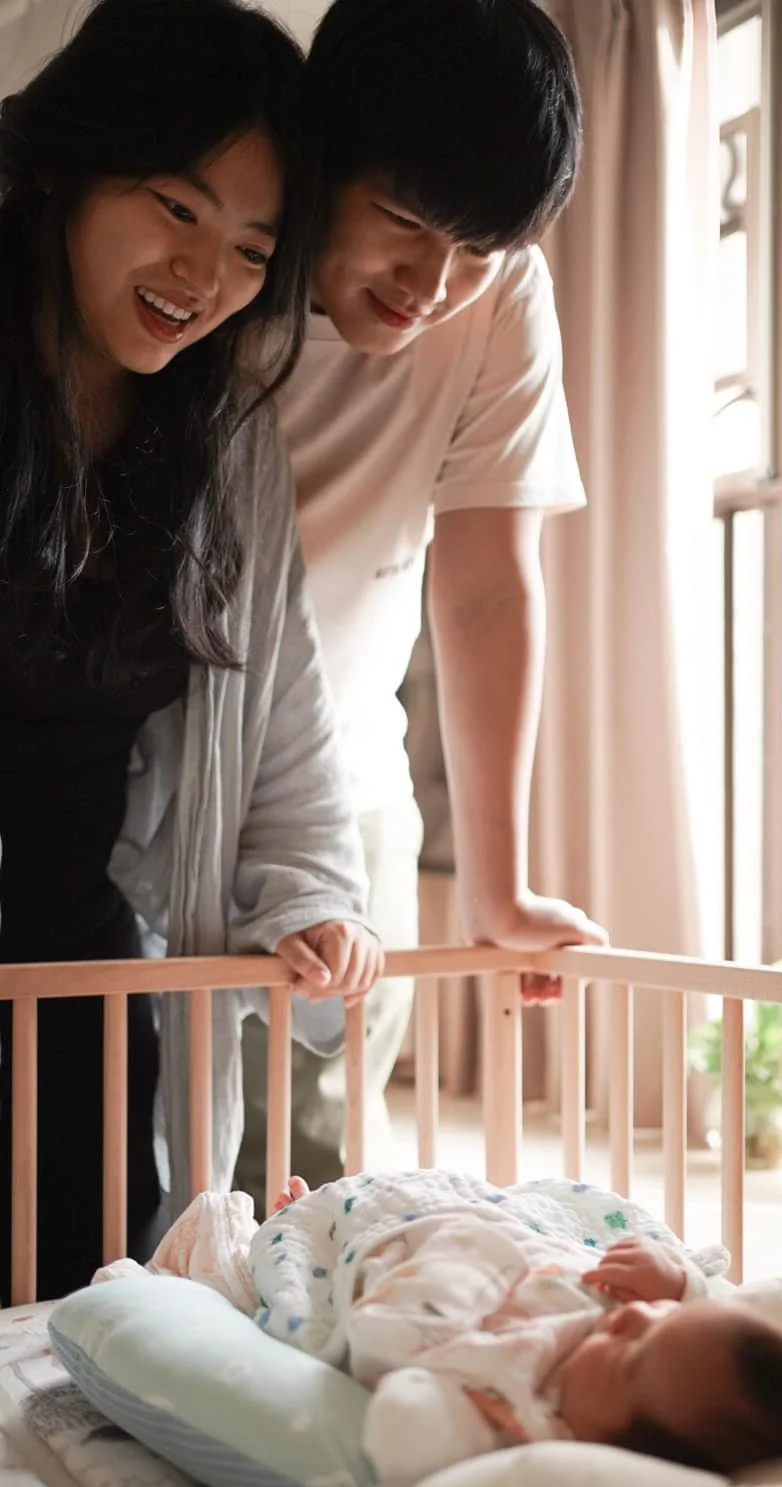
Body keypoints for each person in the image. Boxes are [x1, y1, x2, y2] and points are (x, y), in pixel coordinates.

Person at [0, 0, 382, 1301]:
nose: (205, 275)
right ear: (66, 164)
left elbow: (284, 718)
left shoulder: (224, 454)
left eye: (251, 248)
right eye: (176, 208)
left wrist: (315, 898)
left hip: (85, 998)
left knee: (71, 1336)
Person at [237, 0, 609, 1207]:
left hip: (346, 792)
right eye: (402, 224)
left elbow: (492, 580)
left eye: (475, 247)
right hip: (139, 776)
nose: (432, 284)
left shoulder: (501, 300)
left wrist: (497, 883)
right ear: (321, 154)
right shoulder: (213, 256)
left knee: (315, 1186)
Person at [117, 1169, 782, 1486]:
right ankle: (333, 1218)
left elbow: (398, 1344)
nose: (633, 1318)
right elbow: (689, 1315)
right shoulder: (652, 1330)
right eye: (659, 1323)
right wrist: (680, 1286)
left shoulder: (522, 1404)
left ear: (610, 1443)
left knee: (234, 1255)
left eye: (631, 1356)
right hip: (495, 1225)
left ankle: (230, 1259)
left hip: (416, 1264)